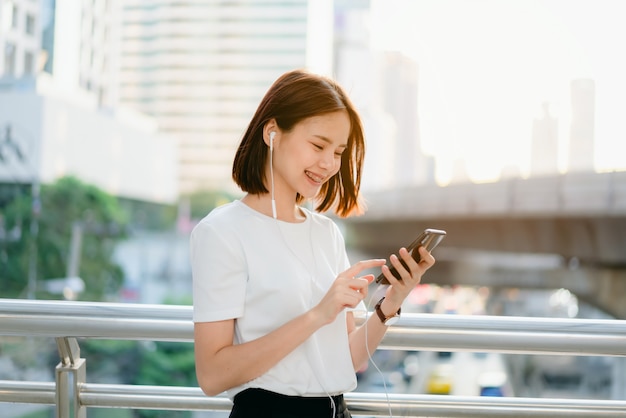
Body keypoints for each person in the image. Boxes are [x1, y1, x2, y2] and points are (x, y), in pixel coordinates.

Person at [190, 69, 435, 418]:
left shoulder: (326, 233)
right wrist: (318, 315)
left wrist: (390, 303)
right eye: (318, 145)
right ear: (272, 133)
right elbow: (212, 376)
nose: (329, 164)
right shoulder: (222, 232)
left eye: (338, 151)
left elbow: (349, 359)